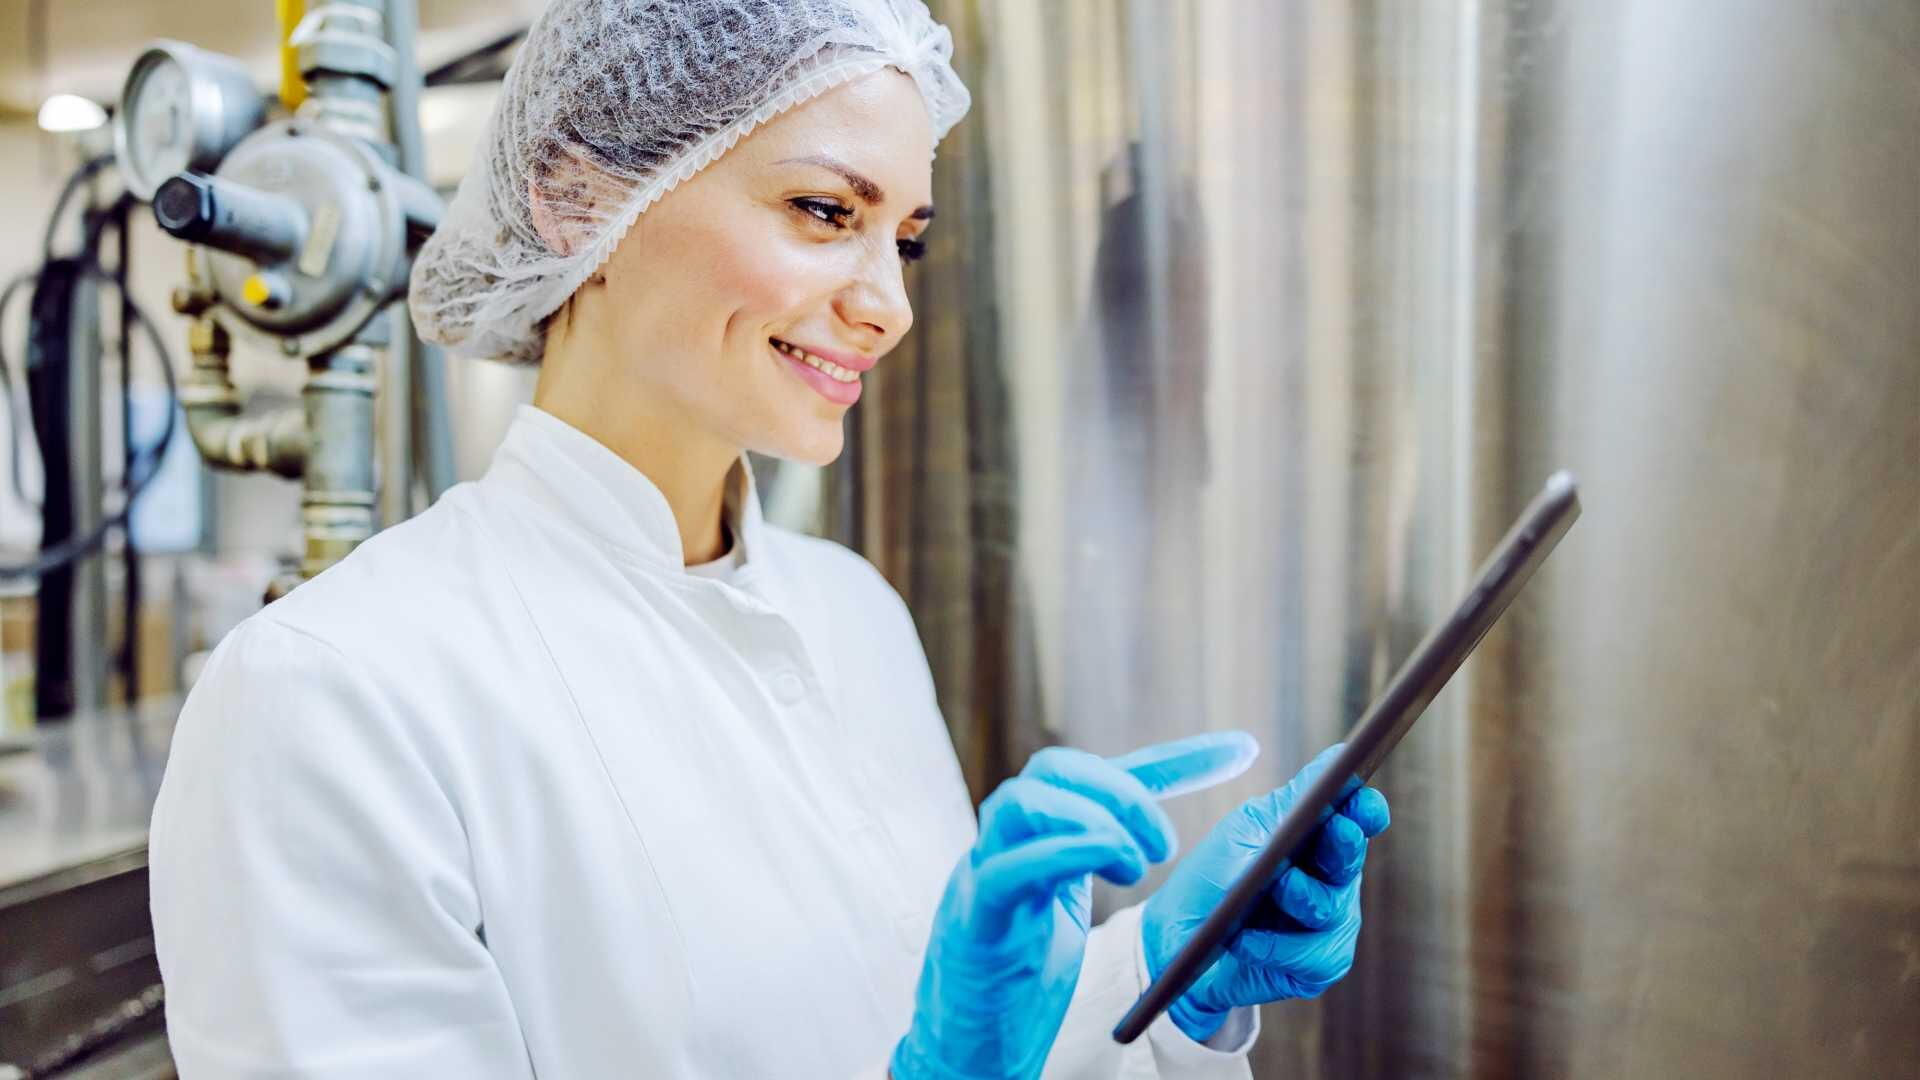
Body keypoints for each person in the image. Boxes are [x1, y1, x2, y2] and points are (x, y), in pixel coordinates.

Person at [147, 2, 1390, 1077]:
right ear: (574, 187)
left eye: (904, 235)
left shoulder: (852, 610)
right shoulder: (328, 696)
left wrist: (1160, 978)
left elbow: (929, 1035)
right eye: (820, 209)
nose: (890, 305)